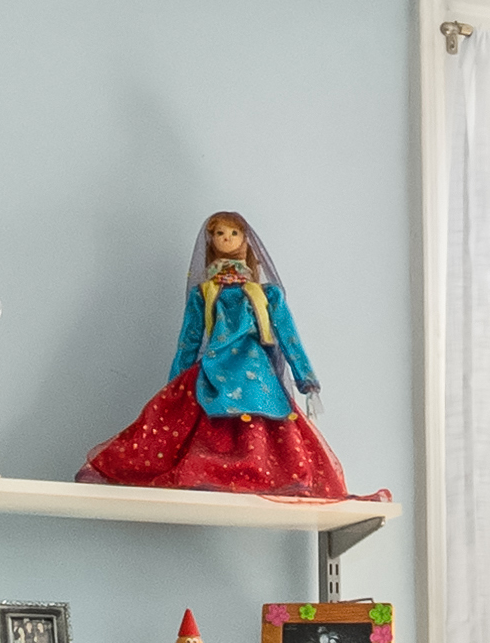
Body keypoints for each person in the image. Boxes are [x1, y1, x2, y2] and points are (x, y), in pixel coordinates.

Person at [76, 212, 367, 501]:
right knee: (207, 418)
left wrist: (307, 382)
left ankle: (261, 471)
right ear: (211, 240)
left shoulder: (267, 295)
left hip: (256, 370)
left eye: (234, 233)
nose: (226, 239)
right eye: (219, 234)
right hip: (214, 369)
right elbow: (188, 341)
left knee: (261, 418)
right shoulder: (204, 294)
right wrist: (174, 385)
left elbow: (289, 338)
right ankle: (212, 471)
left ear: (245, 240)